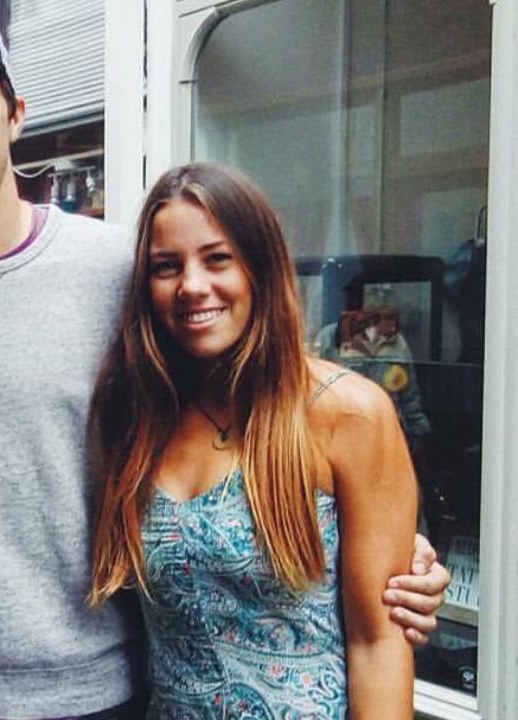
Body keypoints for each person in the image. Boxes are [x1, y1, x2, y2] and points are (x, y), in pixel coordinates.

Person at [0, 5, 450, 719]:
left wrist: (388, 551)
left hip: (101, 697)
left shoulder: (121, 268)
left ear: (16, 115)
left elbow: (247, 398)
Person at [88, 163, 415, 717]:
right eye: (167, 267)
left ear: (260, 267)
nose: (192, 285)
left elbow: (379, 642)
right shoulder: (136, 417)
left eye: (217, 258)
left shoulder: (346, 413)